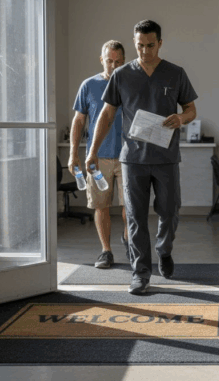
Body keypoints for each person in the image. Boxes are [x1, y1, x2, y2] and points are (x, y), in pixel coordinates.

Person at [86, 20, 198, 295]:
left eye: (150, 45)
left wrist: (181, 118)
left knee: (169, 211)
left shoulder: (175, 73)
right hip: (133, 159)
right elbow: (107, 115)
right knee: (135, 217)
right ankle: (140, 273)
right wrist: (92, 151)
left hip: (166, 158)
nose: (145, 51)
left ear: (160, 43)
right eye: (139, 46)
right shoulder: (122, 75)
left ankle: (164, 249)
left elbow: (191, 109)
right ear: (134, 43)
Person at [68, 40, 129, 269]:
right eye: (109, 61)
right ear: (101, 60)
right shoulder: (89, 85)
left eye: (118, 62)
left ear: (124, 62)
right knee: (101, 206)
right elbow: (79, 120)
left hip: (127, 157)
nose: (113, 66)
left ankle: (128, 238)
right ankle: (106, 251)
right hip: (98, 157)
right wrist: (73, 153)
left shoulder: (130, 84)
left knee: (130, 207)